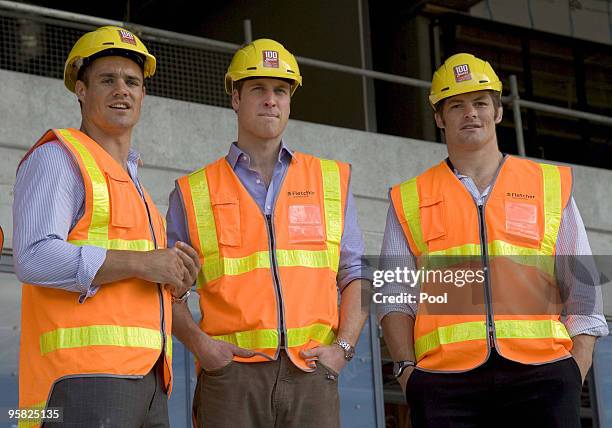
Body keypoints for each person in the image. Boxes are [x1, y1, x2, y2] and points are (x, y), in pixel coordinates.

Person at [378, 53, 609, 427]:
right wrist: (407, 371)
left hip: (545, 378)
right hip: (444, 384)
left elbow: (582, 288)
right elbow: (393, 296)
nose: (470, 113)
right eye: (456, 105)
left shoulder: (549, 187)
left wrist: (574, 368)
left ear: (498, 112)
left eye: (480, 103)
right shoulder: (409, 197)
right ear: (439, 118)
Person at [166, 38, 370, 428]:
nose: (270, 100)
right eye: (258, 88)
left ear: (290, 102)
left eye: (280, 90)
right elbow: (167, 291)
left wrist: (342, 349)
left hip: (312, 373)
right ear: (235, 99)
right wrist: (202, 347)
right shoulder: (193, 191)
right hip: (231, 377)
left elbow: (357, 273)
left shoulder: (331, 180)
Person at [13, 26, 200, 427]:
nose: (122, 89)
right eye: (107, 80)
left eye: (132, 81)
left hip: (149, 379)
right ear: (80, 89)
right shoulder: (58, 157)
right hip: (80, 379)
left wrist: (175, 281)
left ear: (143, 95)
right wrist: (142, 263)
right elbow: (32, 258)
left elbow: (139, 281)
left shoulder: (140, 190)